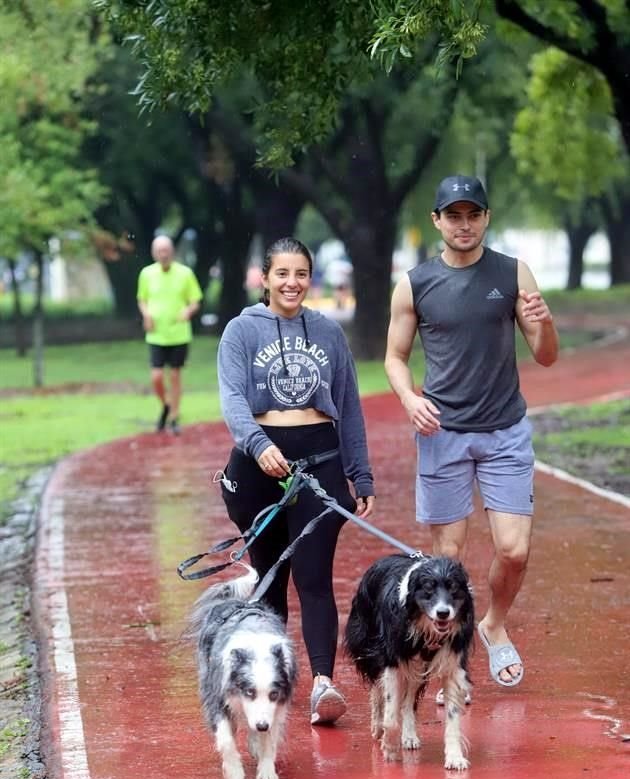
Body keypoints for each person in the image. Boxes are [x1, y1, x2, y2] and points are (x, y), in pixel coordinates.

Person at [385, 175, 559, 692]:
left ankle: (493, 625)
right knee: (448, 562)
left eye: (474, 214)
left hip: (505, 429)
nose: (464, 225)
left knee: (514, 551)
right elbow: (394, 358)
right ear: (436, 220)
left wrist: (544, 322)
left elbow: (546, 354)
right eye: (453, 215)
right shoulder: (415, 283)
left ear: (486, 217)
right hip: (443, 433)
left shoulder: (512, 272)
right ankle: (446, 665)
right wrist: (410, 398)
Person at [217, 237, 375, 725]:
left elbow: (348, 406)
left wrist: (360, 471)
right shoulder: (240, 331)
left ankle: (324, 685)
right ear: (265, 278)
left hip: (319, 465)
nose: (292, 283)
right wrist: (260, 446)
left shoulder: (327, 331)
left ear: (311, 278)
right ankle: (269, 685)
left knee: (314, 576)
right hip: (259, 467)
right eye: (282, 273)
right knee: (270, 583)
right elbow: (232, 399)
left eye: (301, 274)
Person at [137, 235, 203, 434]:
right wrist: (146, 315)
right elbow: (142, 299)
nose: (163, 254)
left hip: (179, 334)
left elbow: (195, 300)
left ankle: (174, 417)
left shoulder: (185, 273)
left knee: (175, 375)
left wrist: (188, 311)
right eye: (159, 250)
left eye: (166, 250)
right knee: (156, 376)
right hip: (156, 334)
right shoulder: (146, 274)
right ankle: (166, 404)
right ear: (153, 253)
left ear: (172, 251)